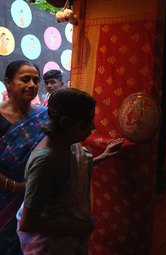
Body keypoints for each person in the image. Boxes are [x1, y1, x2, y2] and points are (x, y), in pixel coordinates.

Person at [16, 87, 124, 254]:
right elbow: (28, 223)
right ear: (65, 122)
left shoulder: (66, 143)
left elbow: (71, 172)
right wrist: (76, 229)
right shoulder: (45, 161)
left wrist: (104, 156)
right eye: (86, 122)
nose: (93, 127)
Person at [0, 60, 48, 255]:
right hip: (4, 199)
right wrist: (16, 187)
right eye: (25, 79)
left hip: (36, 201)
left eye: (36, 80)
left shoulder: (45, 116)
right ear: (8, 83)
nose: (32, 84)